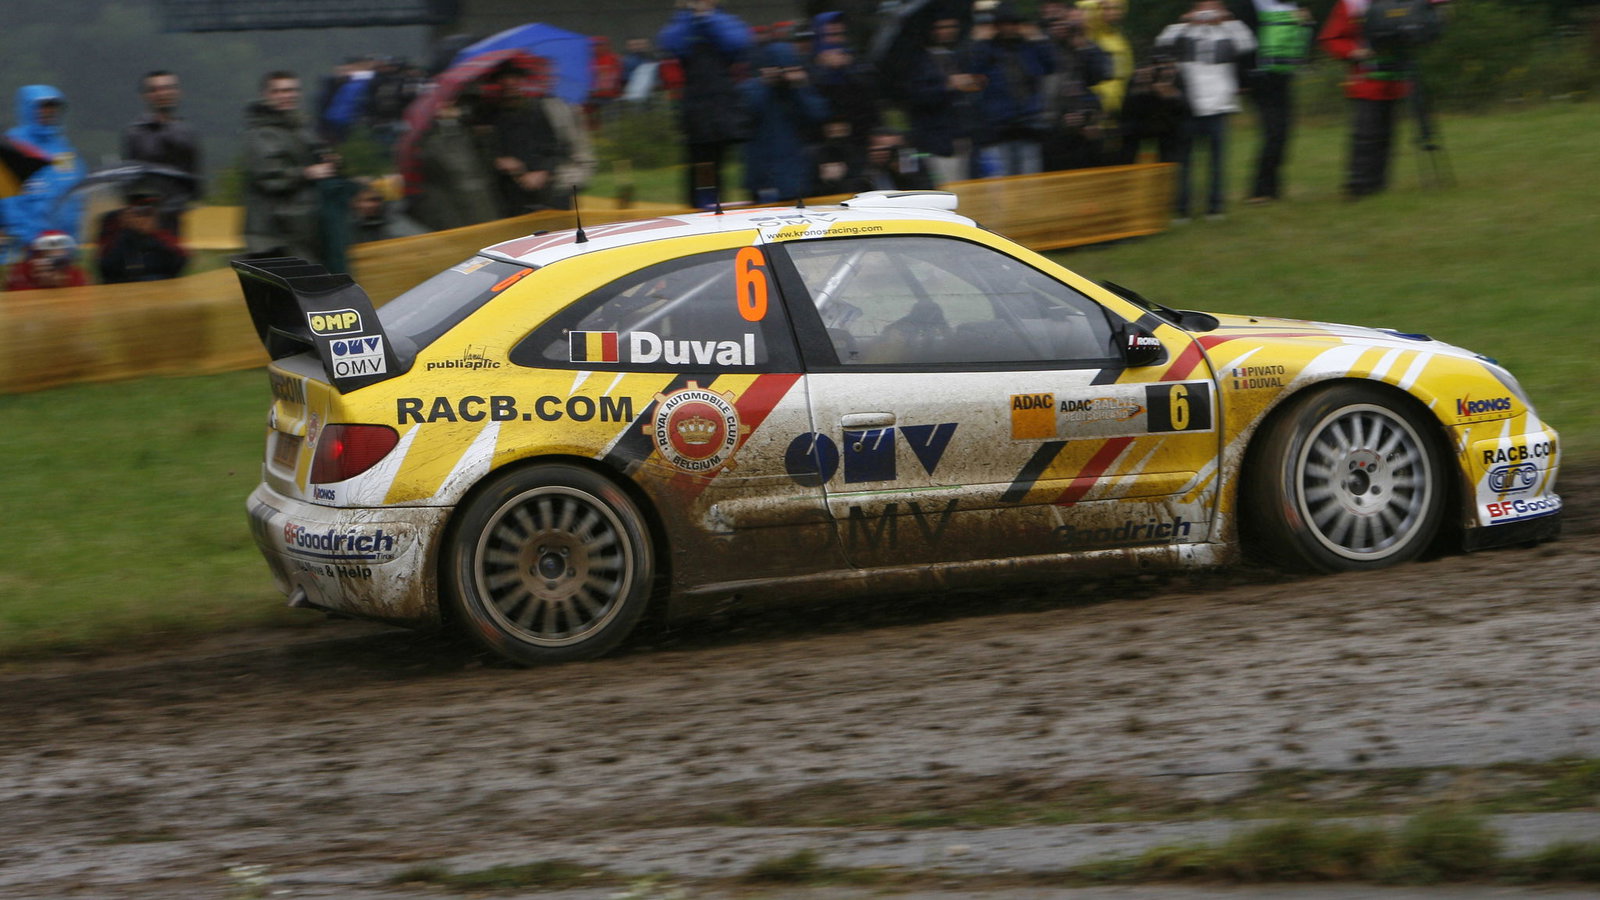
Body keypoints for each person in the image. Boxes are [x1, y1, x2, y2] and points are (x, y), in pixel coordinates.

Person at [1156, 0, 1255, 220]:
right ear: (1193, 9)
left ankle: (1215, 207)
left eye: (1213, 7)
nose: (1207, 13)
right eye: (1202, 8)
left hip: (1218, 106)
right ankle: (1181, 209)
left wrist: (1227, 20)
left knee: (1217, 162)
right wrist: (1185, 22)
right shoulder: (1182, 32)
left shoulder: (1228, 32)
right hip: (1188, 106)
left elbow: (1248, 43)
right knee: (1184, 161)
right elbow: (1162, 42)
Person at [657, 0, 755, 207]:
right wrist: (689, 16)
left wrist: (708, 17)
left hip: (723, 105)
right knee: (702, 165)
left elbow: (738, 42)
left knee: (723, 161)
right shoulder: (683, 22)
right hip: (696, 109)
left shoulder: (726, 20)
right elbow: (670, 43)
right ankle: (705, 205)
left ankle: (728, 199)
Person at [242, 70, 338, 264]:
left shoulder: (301, 130)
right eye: (279, 91)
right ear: (266, 95)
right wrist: (308, 172)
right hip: (273, 234)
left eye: (292, 90)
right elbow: (270, 177)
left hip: (304, 228)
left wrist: (331, 161)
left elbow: (320, 156)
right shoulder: (261, 134)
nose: (287, 96)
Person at [1319, 0, 1413, 198]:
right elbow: (1331, 38)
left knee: (1387, 137)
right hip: (1366, 81)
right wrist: (1354, 52)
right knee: (1366, 137)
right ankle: (1358, 188)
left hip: (1394, 80)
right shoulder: (1350, 4)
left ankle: (1379, 186)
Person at [480, 60, 596, 215]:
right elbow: (485, 149)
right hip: (510, 192)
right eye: (504, 79)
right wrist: (498, 160)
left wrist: (543, 171)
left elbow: (559, 147)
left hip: (548, 186)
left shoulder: (540, 110)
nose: (509, 83)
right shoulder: (491, 115)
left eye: (514, 78)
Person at [968, 3, 1056, 177]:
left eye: (1013, 24)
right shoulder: (987, 49)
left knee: (1030, 180)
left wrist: (1038, 39)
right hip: (999, 127)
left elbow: (1050, 66)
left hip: (1028, 125)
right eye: (1004, 24)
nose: (1009, 28)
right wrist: (980, 42)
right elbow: (973, 70)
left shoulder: (1028, 48)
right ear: (997, 26)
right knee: (1002, 181)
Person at [1241, 0, 1314, 202]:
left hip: (1283, 76)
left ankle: (1271, 190)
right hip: (1260, 79)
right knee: (1274, 132)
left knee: (1283, 132)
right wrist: (1243, 78)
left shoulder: (1293, 5)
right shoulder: (1251, 5)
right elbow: (1243, 41)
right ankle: (1260, 191)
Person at [739, 41, 829, 203]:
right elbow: (744, 117)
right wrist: (766, 84)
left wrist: (799, 86)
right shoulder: (751, 89)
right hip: (762, 175)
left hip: (796, 173)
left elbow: (819, 115)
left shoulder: (799, 90)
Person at [2, 85, 87, 248]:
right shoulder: (12, 147)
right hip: (25, 247)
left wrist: (71, 239)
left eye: (53, 107)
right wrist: (29, 240)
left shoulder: (64, 150)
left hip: (62, 245)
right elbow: (8, 203)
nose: (48, 112)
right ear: (28, 108)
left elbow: (75, 195)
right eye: (42, 106)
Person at [121, 71, 203, 236]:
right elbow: (130, 177)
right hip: (143, 216)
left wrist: (182, 203)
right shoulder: (135, 133)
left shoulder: (186, 132)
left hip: (176, 215)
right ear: (145, 96)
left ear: (177, 92)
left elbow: (193, 176)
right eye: (155, 89)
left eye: (167, 88)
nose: (162, 94)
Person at [903, 15, 982, 185]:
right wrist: (948, 85)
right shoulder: (917, 59)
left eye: (951, 26)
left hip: (963, 136)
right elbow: (915, 96)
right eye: (941, 27)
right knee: (947, 190)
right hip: (936, 141)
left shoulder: (957, 54)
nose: (947, 31)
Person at [408, 93, 499, 231]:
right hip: (452, 203)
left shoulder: (470, 128)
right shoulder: (427, 138)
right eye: (442, 102)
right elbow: (434, 166)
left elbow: (485, 157)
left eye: (450, 101)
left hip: (482, 196)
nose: (447, 105)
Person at [96, 191, 188, 283]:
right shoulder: (113, 221)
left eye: (148, 209)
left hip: (159, 283)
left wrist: (154, 233)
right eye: (138, 208)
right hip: (122, 285)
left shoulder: (166, 219)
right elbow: (105, 267)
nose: (143, 216)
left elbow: (178, 264)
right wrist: (123, 230)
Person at [4, 230, 87, 291]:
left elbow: (81, 301)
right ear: (36, 257)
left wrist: (63, 285)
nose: (53, 263)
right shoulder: (20, 271)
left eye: (59, 260)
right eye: (47, 257)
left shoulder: (75, 273)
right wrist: (37, 283)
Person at [349, 180, 426, 244]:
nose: (370, 205)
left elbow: (420, 240)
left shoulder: (395, 222)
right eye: (362, 201)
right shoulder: (345, 228)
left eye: (375, 200)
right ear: (354, 203)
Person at [861, 128, 935, 191]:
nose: (890, 153)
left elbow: (924, 190)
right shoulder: (862, 166)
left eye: (895, 149)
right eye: (883, 149)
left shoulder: (911, 160)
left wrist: (901, 172)